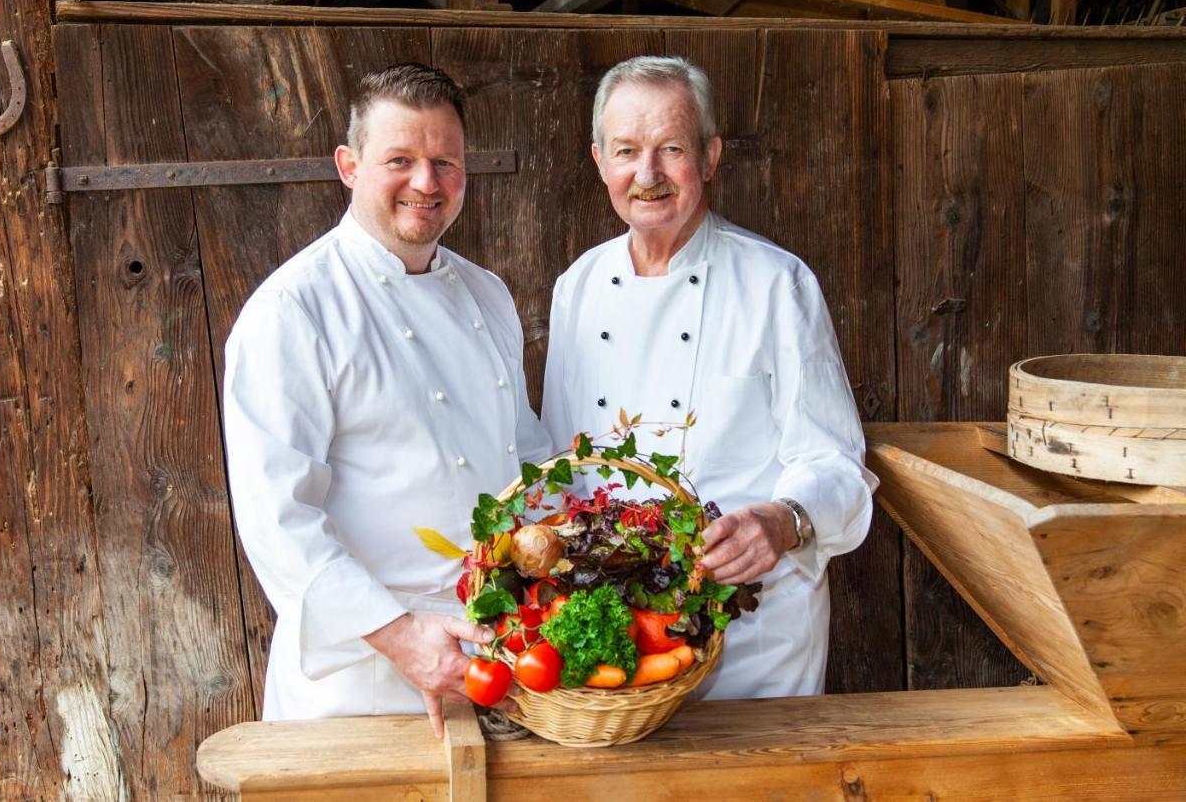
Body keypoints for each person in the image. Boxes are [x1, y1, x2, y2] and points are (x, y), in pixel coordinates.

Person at [222, 63, 551, 734]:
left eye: (445, 161)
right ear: (348, 164)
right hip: (360, 682)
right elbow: (277, 519)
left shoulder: (487, 294)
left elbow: (529, 462)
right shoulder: (294, 310)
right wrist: (402, 636)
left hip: (491, 663)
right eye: (400, 159)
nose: (426, 183)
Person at [542, 56, 877, 698]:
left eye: (671, 148)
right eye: (627, 151)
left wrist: (784, 521)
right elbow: (565, 459)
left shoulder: (779, 284)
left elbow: (836, 462)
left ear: (711, 155)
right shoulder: (577, 286)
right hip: (623, 637)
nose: (648, 174)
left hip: (755, 634)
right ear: (598, 161)